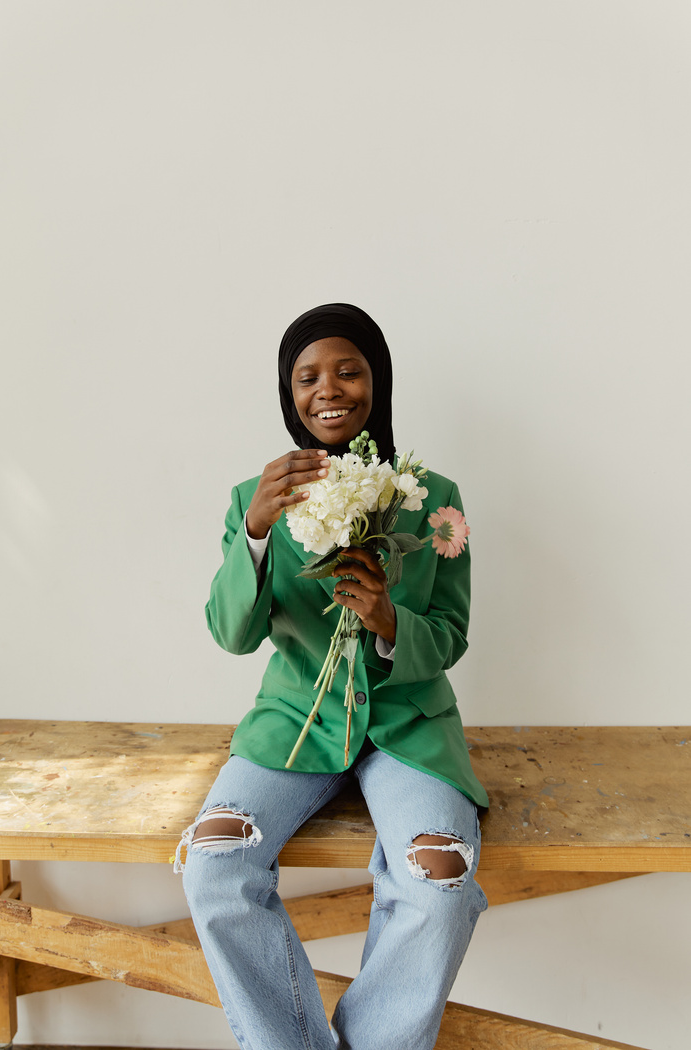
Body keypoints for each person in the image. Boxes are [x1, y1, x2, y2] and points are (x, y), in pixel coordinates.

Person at [176, 303, 489, 1050]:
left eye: (348, 369)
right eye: (307, 376)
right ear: (288, 393)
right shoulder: (256, 500)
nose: (329, 389)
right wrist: (253, 532)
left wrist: (388, 622)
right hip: (294, 722)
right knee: (214, 864)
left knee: (439, 882)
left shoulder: (430, 495)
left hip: (410, 728)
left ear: (376, 379)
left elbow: (449, 636)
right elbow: (231, 633)